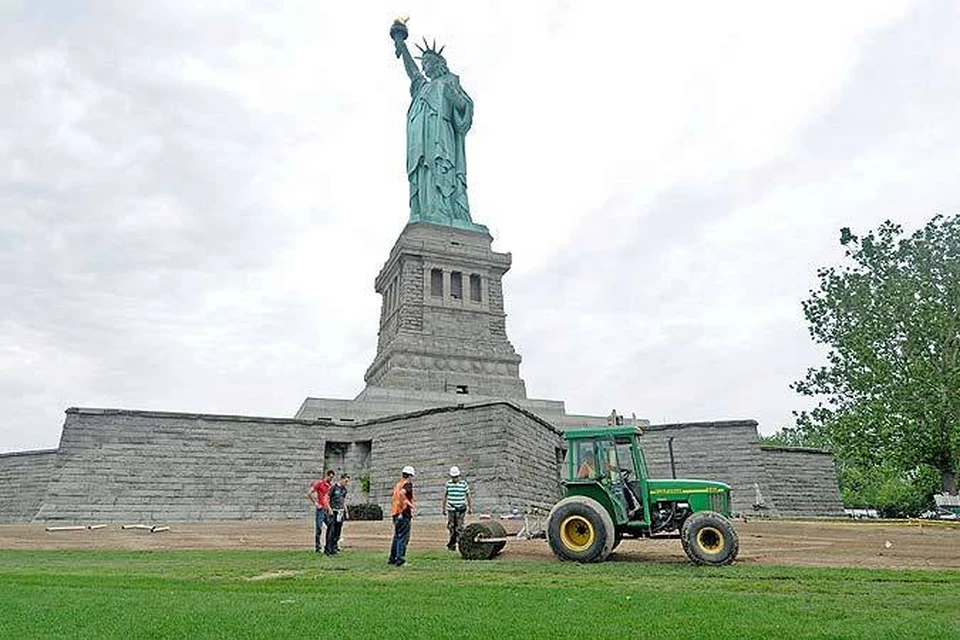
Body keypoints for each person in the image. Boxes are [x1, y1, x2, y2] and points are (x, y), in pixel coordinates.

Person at [390, 21, 475, 225]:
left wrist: (458, 101)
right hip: (420, 140)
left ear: (438, 63)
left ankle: (446, 211)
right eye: (423, 64)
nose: (424, 67)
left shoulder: (449, 81)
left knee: (442, 169)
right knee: (425, 171)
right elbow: (412, 72)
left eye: (427, 63)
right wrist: (402, 46)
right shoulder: (422, 87)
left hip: (441, 135)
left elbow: (465, 106)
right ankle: (429, 210)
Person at [388, 465, 416, 566]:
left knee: (397, 536)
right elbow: (402, 494)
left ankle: (392, 558)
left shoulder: (398, 484)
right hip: (403, 513)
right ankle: (400, 559)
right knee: (403, 537)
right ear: (410, 475)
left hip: (395, 513)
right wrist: (408, 503)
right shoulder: (407, 484)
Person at [441, 465, 472, 550]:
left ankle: (461, 543)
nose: (455, 479)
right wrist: (443, 508)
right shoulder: (448, 484)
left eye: (456, 477)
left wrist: (470, 507)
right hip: (451, 508)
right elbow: (445, 496)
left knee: (460, 527)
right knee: (451, 526)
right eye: (453, 477)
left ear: (459, 476)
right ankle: (452, 544)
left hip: (461, 508)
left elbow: (468, 496)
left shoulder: (463, 484)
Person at [306, 470, 335, 553]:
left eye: (332, 477)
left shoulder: (330, 486)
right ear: (327, 476)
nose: (331, 479)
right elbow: (309, 492)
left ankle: (328, 546)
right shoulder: (319, 483)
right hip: (321, 509)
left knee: (330, 526)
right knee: (319, 528)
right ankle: (317, 547)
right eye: (330, 477)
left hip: (327, 509)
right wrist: (316, 503)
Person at [324, 474, 350, 556]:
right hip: (333, 511)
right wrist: (329, 508)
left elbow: (343, 501)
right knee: (331, 530)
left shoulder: (344, 490)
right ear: (341, 479)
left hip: (340, 512)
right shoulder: (334, 488)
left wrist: (346, 511)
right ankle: (328, 549)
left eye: (347, 482)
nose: (346, 483)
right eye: (345, 481)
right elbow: (326, 498)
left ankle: (334, 547)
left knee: (337, 531)